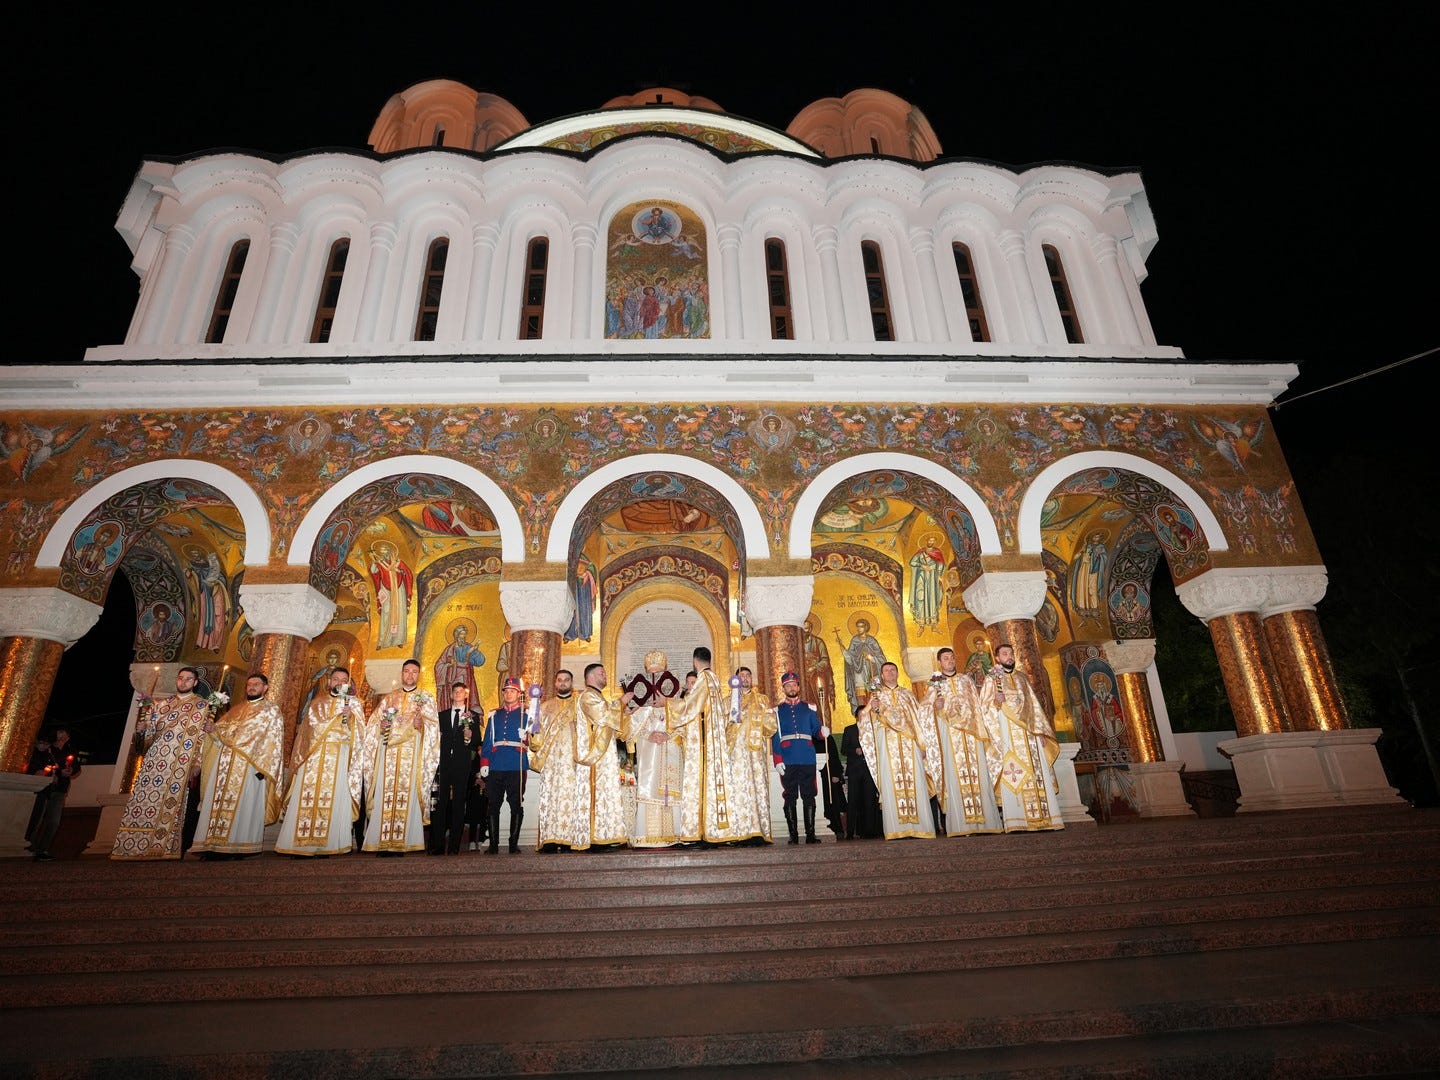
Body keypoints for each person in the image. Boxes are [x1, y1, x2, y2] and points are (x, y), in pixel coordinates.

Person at [112, 667, 211, 860]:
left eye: (188, 679)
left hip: (179, 763)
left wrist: (198, 763)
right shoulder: (160, 705)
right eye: (181, 678)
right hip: (154, 762)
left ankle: (164, 848)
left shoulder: (202, 706)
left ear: (195, 682)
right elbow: (146, 742)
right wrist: (142, 730)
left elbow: (203, 738)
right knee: (144, 803)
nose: (183, 682)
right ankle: (135, 847)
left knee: (172, 806)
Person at [664, 646, 753, 844]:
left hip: (703, 744)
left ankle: (699, 833)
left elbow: (690, 706)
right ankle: (712, 829)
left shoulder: (703, 678)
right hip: (713, 741)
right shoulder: (714, 679)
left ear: (694, 661)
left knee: (699, 783)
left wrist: (667, 703)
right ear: (709, 660)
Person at [191, 673, 285, 859]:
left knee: (242, 806)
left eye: (256, 684)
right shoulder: (236, 709)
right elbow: (220, 734)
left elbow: (253, 737)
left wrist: (220, 733)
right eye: (249, 684)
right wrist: (212, 730)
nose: (252, 687)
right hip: (224, 766)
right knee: (217, 804)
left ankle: (236, 847)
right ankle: (212, 845)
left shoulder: (270, 710)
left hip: (250, 766)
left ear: (265, 688)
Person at [276, 666, 361, 857]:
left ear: (348, 683)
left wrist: (351, 718)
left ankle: (327, 845)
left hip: (338, 757)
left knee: (333, 798)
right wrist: (333, 720)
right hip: (313, 757)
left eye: (344, 680)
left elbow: (361, 736)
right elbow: (308, 731)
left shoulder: (354, 704)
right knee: (308, 797)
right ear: (329, 681)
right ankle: (300, 846)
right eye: (336, 679)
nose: (339, 683)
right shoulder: (317, 702)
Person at [980, 644, 1065, 832]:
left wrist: (1040, 732)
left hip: (1029, 737)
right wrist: (996, 703)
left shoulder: (1022, 678)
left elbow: (1034, 708)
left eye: (1011, 653)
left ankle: (1045, 819)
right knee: (1014, 772)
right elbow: (984, 709)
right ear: (997, 658)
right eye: (1004, 654)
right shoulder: (991, 680)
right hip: (1007, 736)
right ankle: (1018, 820)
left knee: (1036, 773)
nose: (1009, 656)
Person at [359, 658, 439, 855]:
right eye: (406, 671)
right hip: (389, 757)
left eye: (414, 672)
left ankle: (402, 843)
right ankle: (382, 842)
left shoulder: (426, 698)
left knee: (406, 797)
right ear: (402, 674)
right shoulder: (389, 698)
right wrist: (381, 726)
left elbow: (434, 730)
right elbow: (374, 723)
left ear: (418, 675)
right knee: (384, 796)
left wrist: (422, 726)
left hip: (411, 758)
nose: (410, 675)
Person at [921, 648, 1001, 837]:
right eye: (946, 658)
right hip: (950, 737)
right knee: (955, 777)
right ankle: (961, 825)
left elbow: (977, 705)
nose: (950, 661)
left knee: (979, 774)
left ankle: (987, 823)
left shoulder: (966, 680)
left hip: (972, 735)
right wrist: (934, 706)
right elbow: (923, 710)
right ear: (940, 662)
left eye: (952, 657)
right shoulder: (934, 684)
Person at [856, 662, 938, 840]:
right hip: (888, 745)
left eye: (893, 670)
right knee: (892, 783)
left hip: (910, 744)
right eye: (886, 670)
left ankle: (921, 827)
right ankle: (896, 829)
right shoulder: (876, 695)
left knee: (915, 781)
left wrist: (922, 745)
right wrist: (872, 710)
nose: (890, 672)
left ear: (898, 673)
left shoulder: (907, 694)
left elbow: (918, 720)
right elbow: (862, 719)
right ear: (882, 675)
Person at [623, 651, 686, 847]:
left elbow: (685, 727)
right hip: (649, 753)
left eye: (659, 674)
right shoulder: (640, 706)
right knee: (649, 789)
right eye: (652, 675)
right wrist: (648, 735)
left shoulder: (676, 703)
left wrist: (668, 735)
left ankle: (674, 834)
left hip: (671, 751)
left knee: (671, 791)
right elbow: (630, 729)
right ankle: (647, 836)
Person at [576, 663, 635, 848]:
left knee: (605, 794)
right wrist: (621, 701)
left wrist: (627, 714)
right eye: (602, 673)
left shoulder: (598, 697)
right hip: (594, 756)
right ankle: (594, 839)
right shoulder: (587, 696)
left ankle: (605, 835)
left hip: (605, 756)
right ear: (591, 677)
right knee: (597, 794)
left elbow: (612, 725)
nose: (605, 676)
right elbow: (603, 716)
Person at [531, 669, 587, 851]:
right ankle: (550, 840)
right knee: (550, 798)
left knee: (572, 798)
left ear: (571, 682)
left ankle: (570, 839)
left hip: (573, 760)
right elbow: (536, 738)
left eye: (566, 680)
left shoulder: (580, 705)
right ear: (555, 683)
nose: (563, 683)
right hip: (552, 762)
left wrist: (577, 727)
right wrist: (531, 731)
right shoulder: (545, 707)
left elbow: (588, 731)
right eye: (560, 680)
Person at [771, 670, 826, 845]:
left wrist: (822, 732)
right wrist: (777, 759)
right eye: (788, 685)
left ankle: (810, 835)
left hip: (807, 757)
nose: (791, 688)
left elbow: (816, 731)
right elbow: (776, 737)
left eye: (794, 685)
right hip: (788, 758)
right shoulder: (777, 711)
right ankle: (793, 835)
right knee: (790, 795)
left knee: (809, 795)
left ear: (798, 687)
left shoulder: (809, 708)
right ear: (783, 688)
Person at [480, 677, 530, 853]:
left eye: (512, 691)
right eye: (506, 691)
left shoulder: (527, 714)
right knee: (493, 804)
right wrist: (484, 761)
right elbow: (488, 739)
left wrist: (526, 737)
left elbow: (536, 739)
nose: (508, 694)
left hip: (516, 763)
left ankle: (513, 844)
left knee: (516, 804)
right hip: (496, 764)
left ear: (518, 694)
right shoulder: (494, 715)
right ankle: (493, 845)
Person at [429, 681, 480, 854]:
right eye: (455, 691)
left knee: (459, 803)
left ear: (466, 695)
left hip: (461, 764)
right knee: (440, 803)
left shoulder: (472, 716)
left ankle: (454, 846)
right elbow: (433, 740)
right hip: (443, 763)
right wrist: (438, 737)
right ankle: (437, 845)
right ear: (451, 695)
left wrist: (469, 737)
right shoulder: (441, 716)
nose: (458, 693)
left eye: (461, 691)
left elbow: (476, 741)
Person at [730, 667, 777, 845]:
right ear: (736, 679)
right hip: (736, 755)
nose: (745, 678)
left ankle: (758, 831)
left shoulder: (762, 699)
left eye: (748, 675)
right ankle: (739, 832)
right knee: (738, 790)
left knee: (757, 789)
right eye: (741, 676)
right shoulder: (729, 701)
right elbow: (722, 726)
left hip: (756, 754)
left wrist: (761, 717)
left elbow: (771, 726)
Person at [26, 728, 80, 861]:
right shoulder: (47, 750)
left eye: (64, 737)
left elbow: (76, 767)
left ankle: (43, 850)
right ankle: (29, 848)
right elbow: (41, 765)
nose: (61, 739)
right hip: (43, 789)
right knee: (36, 820)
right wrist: (56, 772)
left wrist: (71, 770)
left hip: (59, 789)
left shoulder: (69, 750)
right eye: (59, 736)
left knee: (54, 821)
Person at [835, 618, 887, 717]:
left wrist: (871, 658)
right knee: (860, 696)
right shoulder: (854, 641)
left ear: (866, 627)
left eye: (861, 626)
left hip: (872, 673)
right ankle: (863, 717)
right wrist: (842, 647)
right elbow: (850, 658)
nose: (859, 629)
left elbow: (881, 658)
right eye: (858, 627)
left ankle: (876, 716)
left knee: (874, 695)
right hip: (859, 673)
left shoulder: (872, 641)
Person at [840, 721, 882, 839]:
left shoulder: (873, 728)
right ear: (857, 715)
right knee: (852, 801)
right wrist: (855, 750)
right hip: (854, 770)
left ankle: (870, 831)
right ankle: (850, 832)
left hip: (869, 770)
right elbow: (843, 749)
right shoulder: (849, 729)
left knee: (870, 800)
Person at [434, 623, 485, 712]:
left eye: (465, 635)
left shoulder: (469, 647)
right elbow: (439, 665)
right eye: (461, 634)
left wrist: (476, 651)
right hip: (453, 678)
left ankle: (466, 716)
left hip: (466, 676)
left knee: (466, 697)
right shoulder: (449, 650)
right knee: (455, 696)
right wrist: (449, 665)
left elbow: (479, 662)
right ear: (456, 635)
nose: (463, 637)